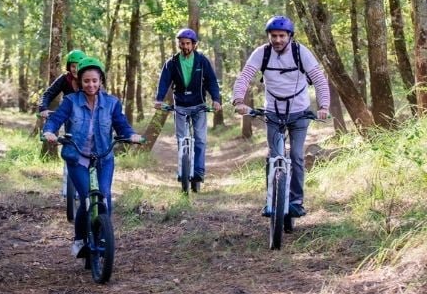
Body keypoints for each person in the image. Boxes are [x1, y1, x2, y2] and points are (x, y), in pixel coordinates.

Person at [42, 57, 144, 257]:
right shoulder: (71, 101)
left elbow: (121, 124)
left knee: (104, 196)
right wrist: (50, 132)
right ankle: (80, 240)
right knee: (87, 197)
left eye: (95, 81)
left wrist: (131, 135)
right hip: (77, 157)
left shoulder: (112, 103)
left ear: (101, 81)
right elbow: (55, 120)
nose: (91, 85)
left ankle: (104, 236)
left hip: (103, 157)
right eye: (86, 81)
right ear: (80, 82)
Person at [232, 16, 330, 218]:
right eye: (273, 36)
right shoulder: (262, 53)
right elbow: (245, 76)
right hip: (273, 112)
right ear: (269, 36)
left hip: (299, 112)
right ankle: (271, 201)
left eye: (281, 36)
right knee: (274, 156)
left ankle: (296, 202)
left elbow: (319, 80)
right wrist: (238, 101)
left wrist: (324, 106)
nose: (277, 40)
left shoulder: (301, 52)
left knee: (296, 155)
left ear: (290, 36)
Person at [153, 28, 223, 192]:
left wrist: (216, 99)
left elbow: (211, 81)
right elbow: (164, 82)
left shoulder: (202, 61)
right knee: (181, 139)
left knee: (200, 139)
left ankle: (198, 172)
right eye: (181, 43)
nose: (184, 46)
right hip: (180, 106)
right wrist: (159, 99)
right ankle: (182, 171)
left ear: (194, 44)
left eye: (187, 43)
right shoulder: (172, 62)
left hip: (199, 105)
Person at [37, 49, 87, 119]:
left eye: (78, 66)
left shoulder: (89, 79)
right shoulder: (65, 79)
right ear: (69, 67)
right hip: (69, 117)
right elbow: (48, 94)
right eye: (73, 66)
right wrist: (43, 108)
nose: (76, 69)